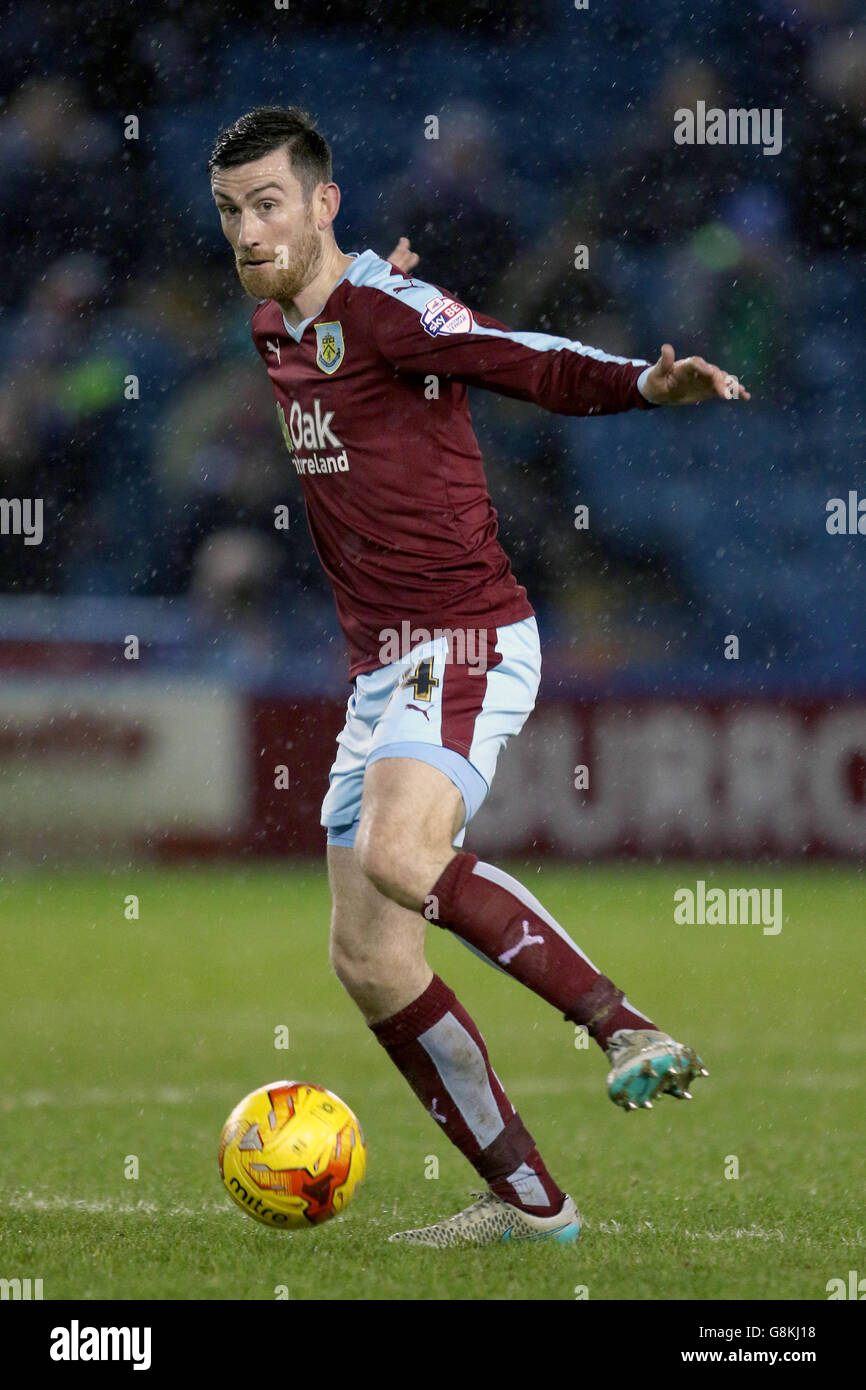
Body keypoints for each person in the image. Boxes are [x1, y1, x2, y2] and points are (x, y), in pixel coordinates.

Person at [208, 105, 748, 1248]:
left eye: (268, 203)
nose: (248, 229)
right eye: (228, 210)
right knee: (364, 956)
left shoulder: (388, 306)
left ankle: (623, 1025)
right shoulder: (274, 327)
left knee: (405, 858)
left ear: (322, 203)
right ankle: (530, 1205)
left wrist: (638, 388)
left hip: (461, 636)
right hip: (379, 670)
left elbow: (522, 360)